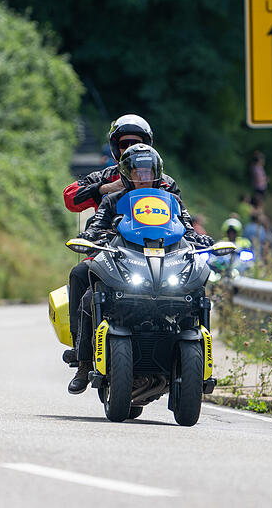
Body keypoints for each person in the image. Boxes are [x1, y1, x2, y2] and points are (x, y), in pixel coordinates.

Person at [67, 144, 212, 394]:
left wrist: (200, 238)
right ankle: (84, 363)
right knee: (90, 297)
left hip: (165, 264)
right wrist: (93, 235)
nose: (143, 177)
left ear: (157, 172)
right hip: (126, 260)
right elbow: (97, 223)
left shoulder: (172, 200)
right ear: (126, 174)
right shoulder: (113, 199)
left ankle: (196, 361)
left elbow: (186, 227)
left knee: (195, 292)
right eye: (137, 173)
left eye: (147, 172)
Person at [61, 114, 190, 365]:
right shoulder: (105, 177)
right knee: (79, 273)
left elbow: (182, 218)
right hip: (109, 253)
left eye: (136, 141)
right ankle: (82, 354)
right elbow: (70, 197)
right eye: (123, 144)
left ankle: (186, 349)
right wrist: (104, 189)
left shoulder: (164, 182)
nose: (129, 147)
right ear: (114, 147)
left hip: (160, 253)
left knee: (192, 285)